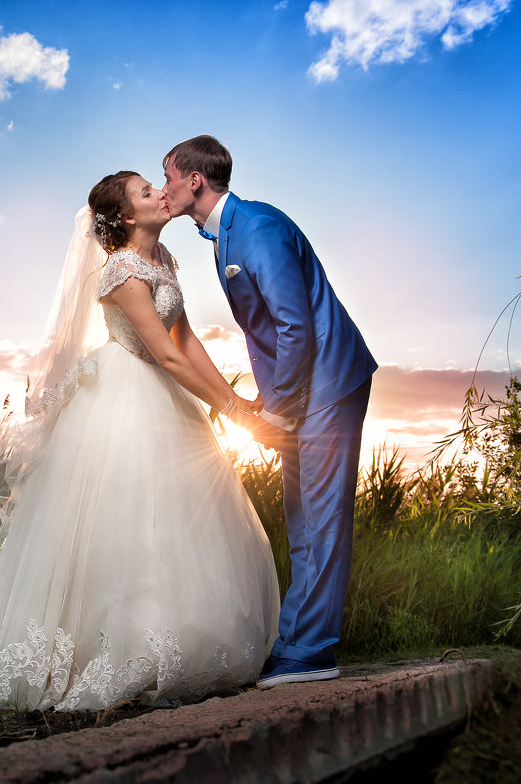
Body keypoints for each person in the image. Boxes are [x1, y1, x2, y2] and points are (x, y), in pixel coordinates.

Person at [0, 171, 280, 711]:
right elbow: (165, 356)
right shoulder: (122, 270)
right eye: (146, 192)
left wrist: (235, 400)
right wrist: (232, 412)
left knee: (177, 524)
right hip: (125, 393)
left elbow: (187, 339)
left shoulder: (165, 260)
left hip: (167, 399)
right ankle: (114, 653)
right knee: (125, 524)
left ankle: (178, 646)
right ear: (128, 216)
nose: (160, 193)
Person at [161, 135, 377, 689]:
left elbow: (293, 324)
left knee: (321, 517)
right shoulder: (222, 237)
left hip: (329, 383)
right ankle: (295, 643)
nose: (163, 190)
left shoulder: (255, 225)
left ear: (194, 181)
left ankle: (313, 654)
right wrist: (269, 402)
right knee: (301, 517)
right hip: (301, 389)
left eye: (167, 177)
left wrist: (278, 410)